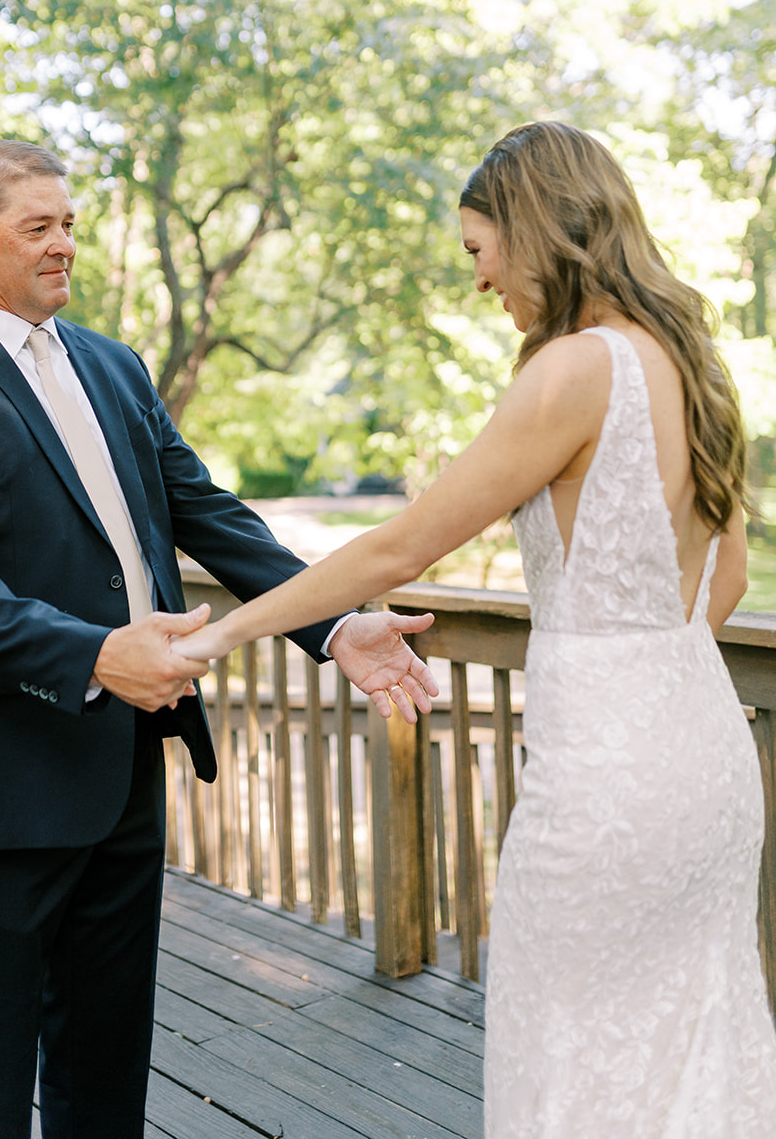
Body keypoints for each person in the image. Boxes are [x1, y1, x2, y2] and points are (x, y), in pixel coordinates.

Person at [177, 121, 776, 1137]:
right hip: (704, 765)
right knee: (689, 1052)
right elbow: (724, 579)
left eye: (476, 249)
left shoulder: (572, 369)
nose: (478, 280)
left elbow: (397, 548)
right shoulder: (684, 360)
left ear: (533, 226)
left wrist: (208, 641)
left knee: (571, 1059)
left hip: (608, 790)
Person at [0, 138, 436, 1139]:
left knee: (106, 1055)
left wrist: (333, 625)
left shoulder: (114, 366)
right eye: (36, 227)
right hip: (1, 774)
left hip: (128, 763)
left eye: (68, 224)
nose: (61, 246)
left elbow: (210, 516)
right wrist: (92, 653)